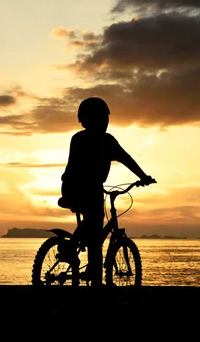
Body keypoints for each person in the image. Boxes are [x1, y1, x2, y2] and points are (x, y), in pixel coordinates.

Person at [59, 96, 156, 286]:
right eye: (103, 117)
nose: (105, 122)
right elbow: (126, 159)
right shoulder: (106, 141)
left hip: (70, 187)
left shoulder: (78, 138)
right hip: (88, 189)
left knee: (93, 229)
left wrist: (143, 175)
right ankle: (78, 257)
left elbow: (124, 158)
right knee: (95, 231)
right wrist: (143, 177)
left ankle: (88, 267)